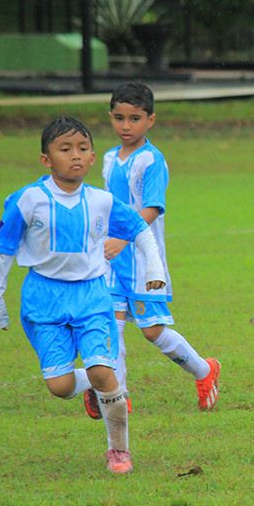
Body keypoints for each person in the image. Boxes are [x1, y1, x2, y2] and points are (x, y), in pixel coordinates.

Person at [0, 116, 167, 473]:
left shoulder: (102, 200)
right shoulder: (28, 200)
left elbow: (140, 229)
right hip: (44, 298)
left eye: (83, 148)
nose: (76, 155)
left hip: (92, 296)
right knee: (59, 386)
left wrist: (155, 269)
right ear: (46, 159)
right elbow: (4, 249)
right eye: (65, 149)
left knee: (105, 370)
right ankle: (95, 384)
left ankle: (118, 450)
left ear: (92, 158)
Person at [92, 81, 220, 419]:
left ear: (150, 120)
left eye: (134, 118)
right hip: (110, 261)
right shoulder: (106, 158)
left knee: (152, 332)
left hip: (143, 261)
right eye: (119, 118)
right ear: (110, 118)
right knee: (111, 324)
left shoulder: (152, 160)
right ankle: (116, 394)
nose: (125, 126)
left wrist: (122, 237)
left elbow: (151, 208)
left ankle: (204, 370)